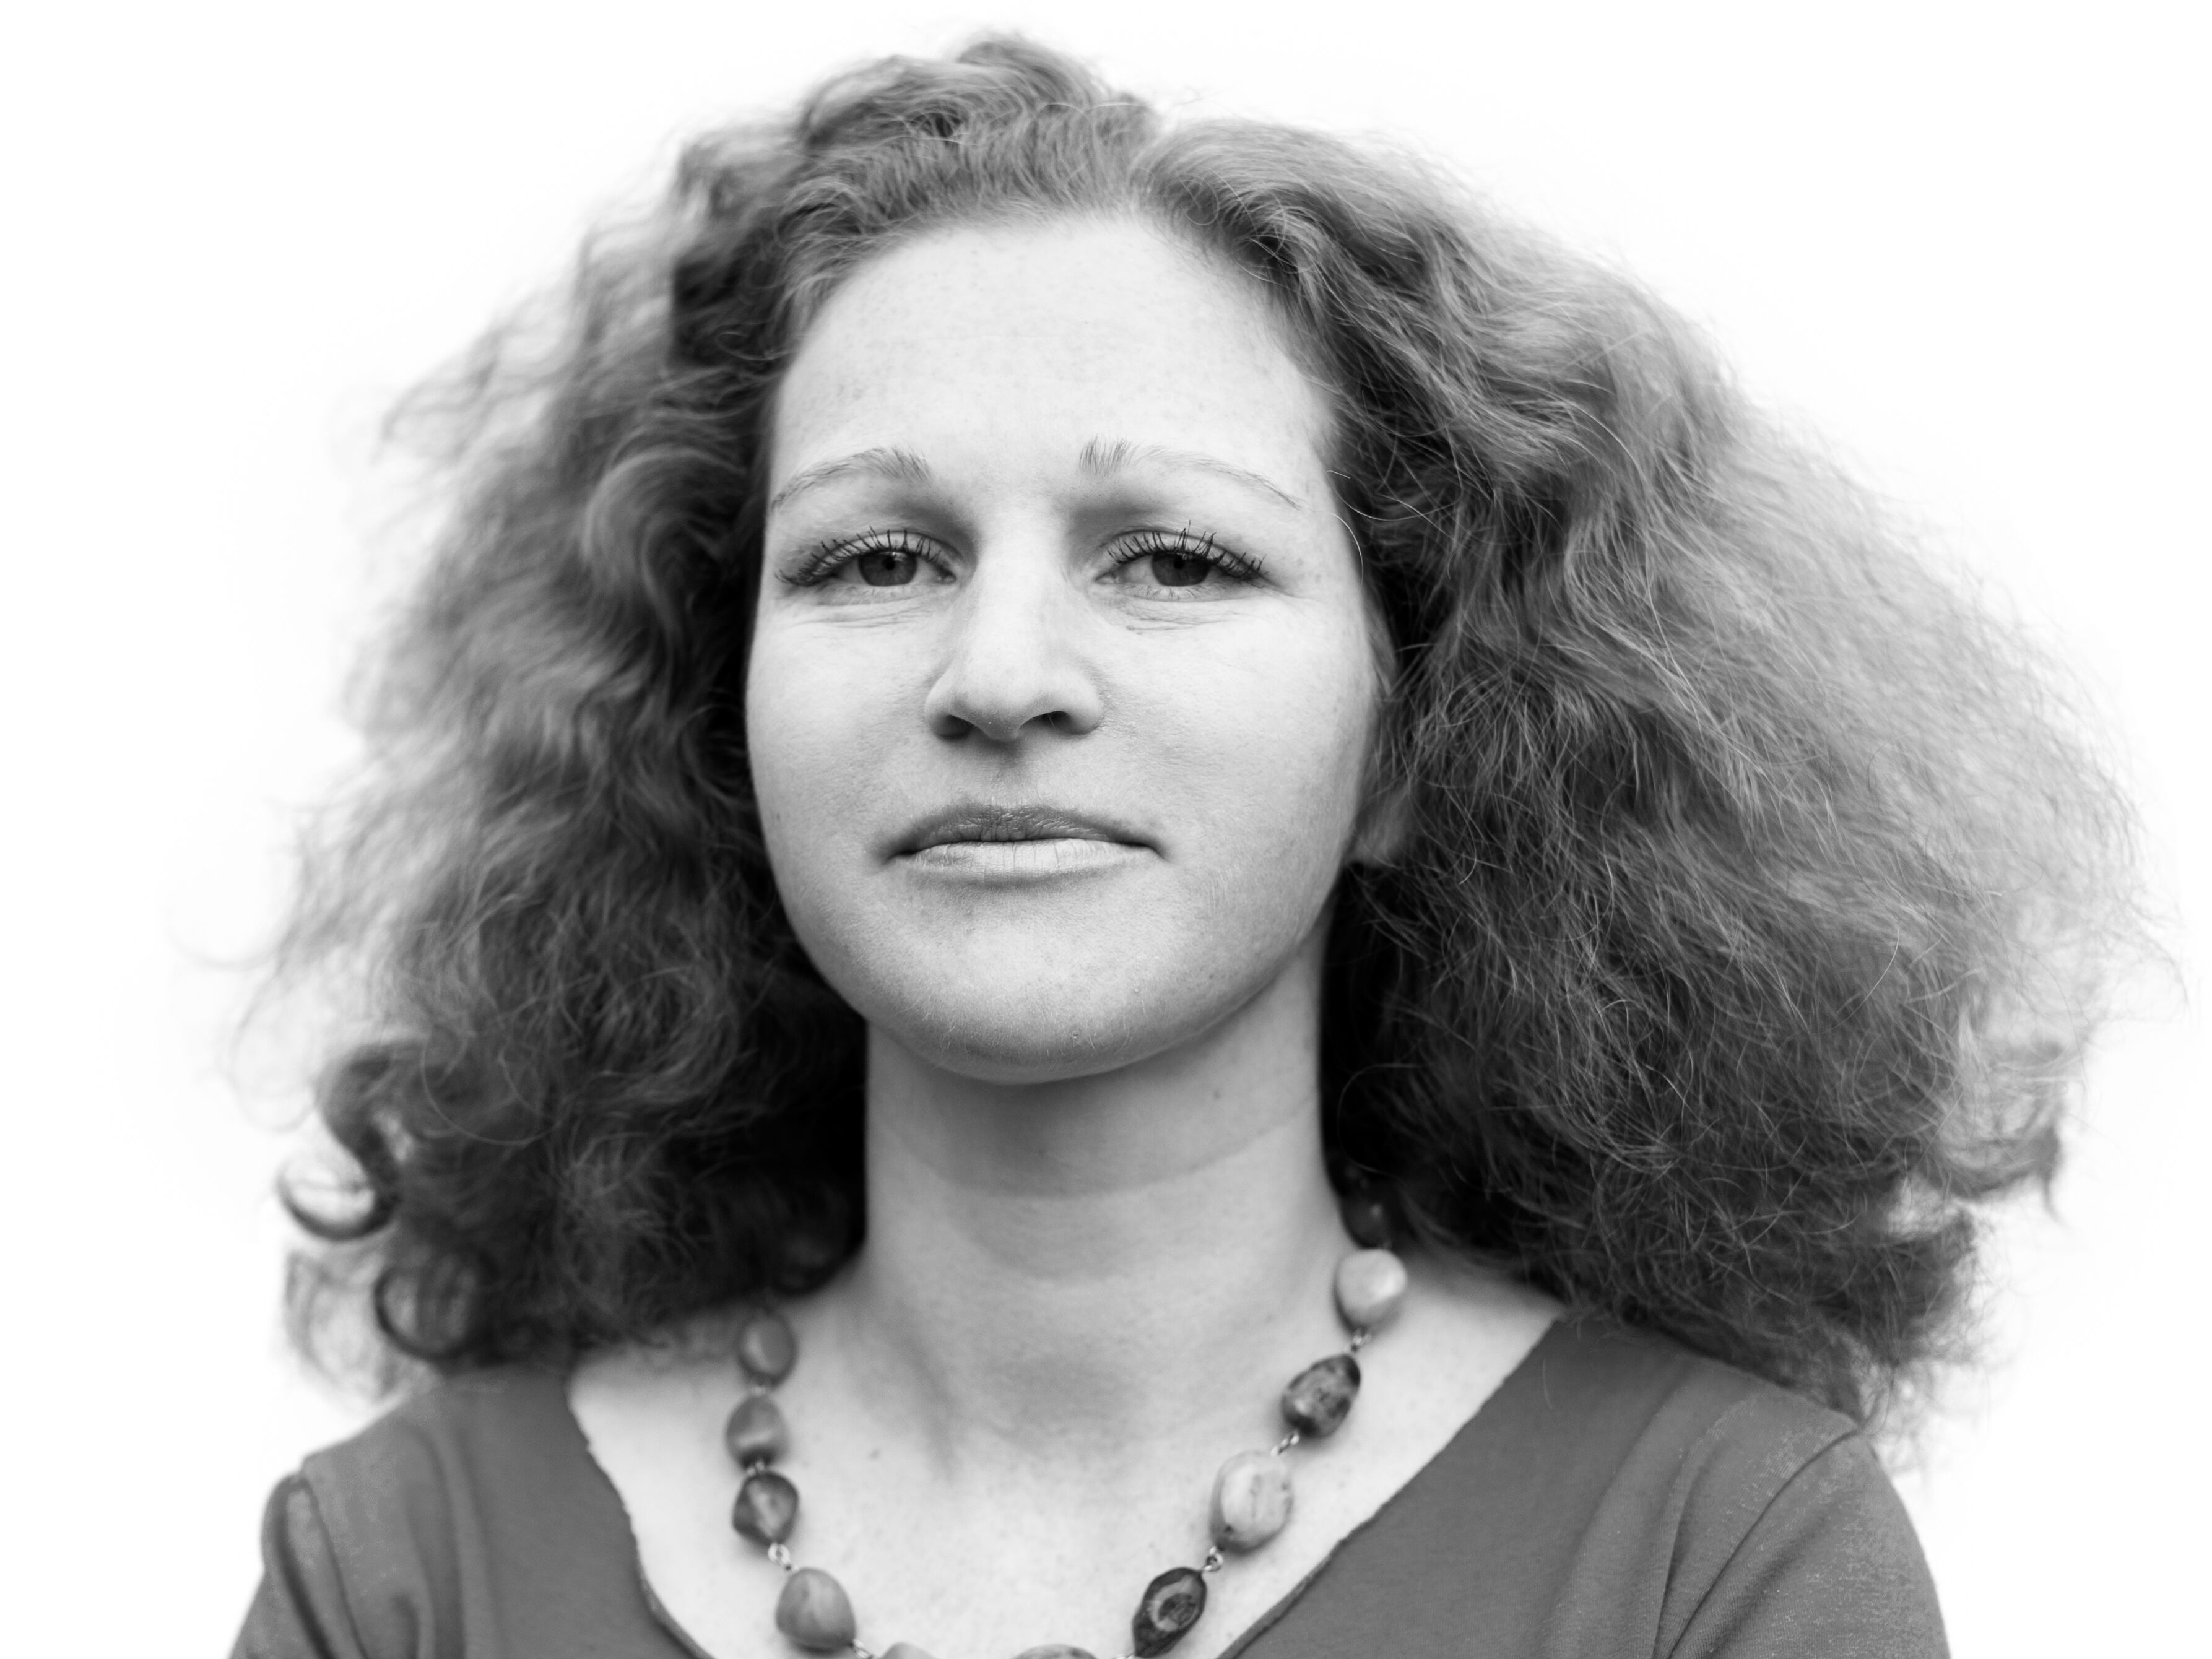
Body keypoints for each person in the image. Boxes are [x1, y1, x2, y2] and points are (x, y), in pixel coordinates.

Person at [233, 35, 2137, 1659]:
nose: (999, 674)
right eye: (875, 559)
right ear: (717, 721)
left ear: (1415, 740)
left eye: (1174, 558)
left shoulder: (1714, 1552)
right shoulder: (408, 1573)